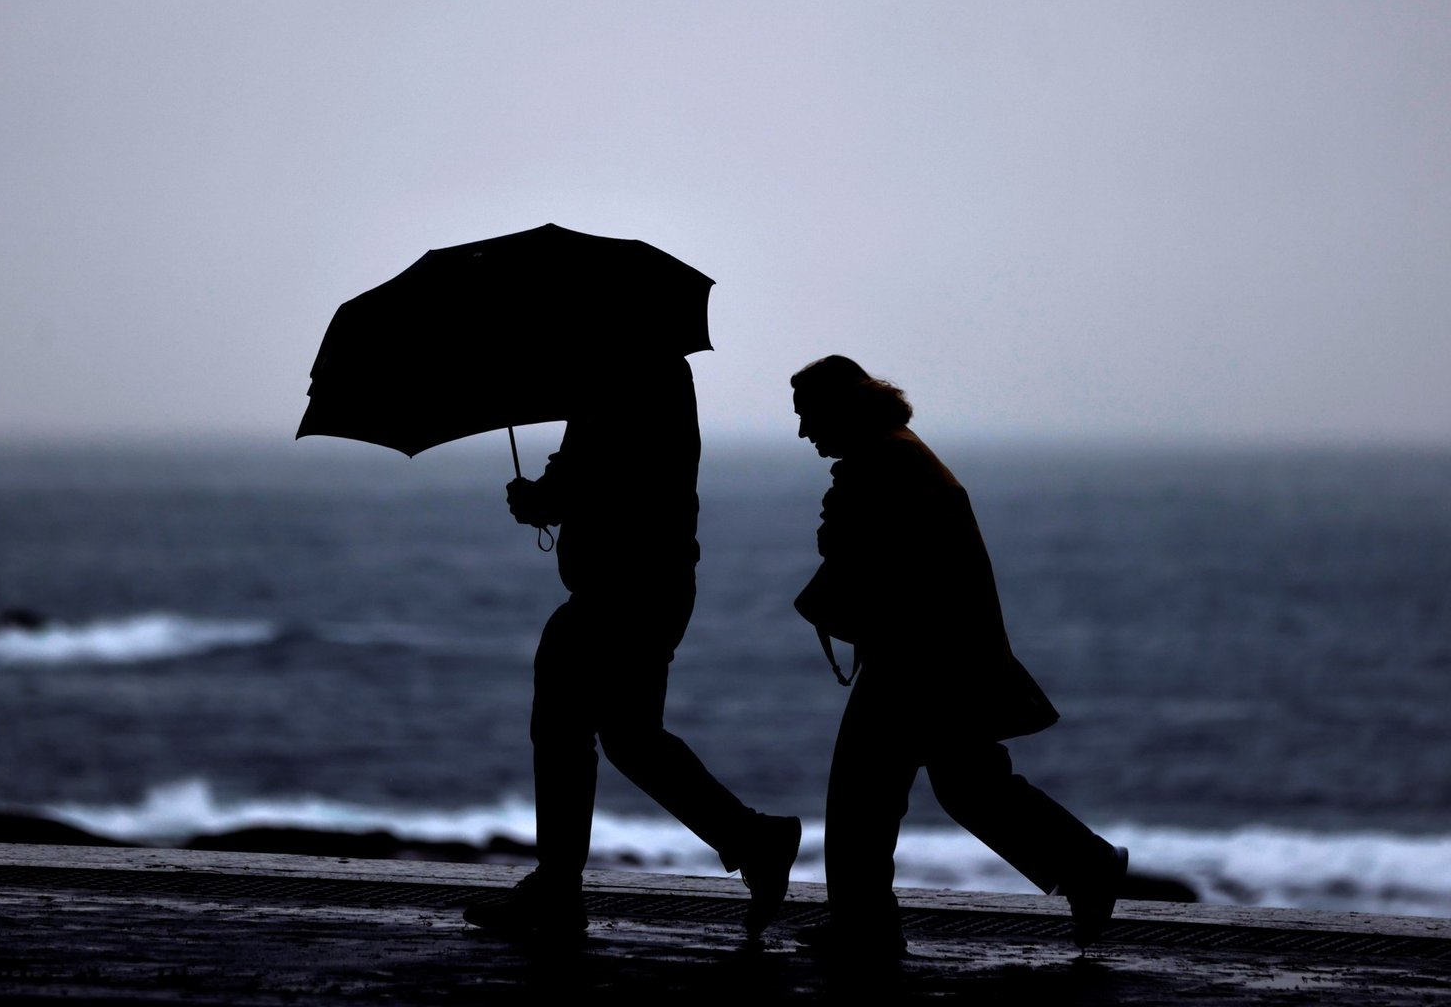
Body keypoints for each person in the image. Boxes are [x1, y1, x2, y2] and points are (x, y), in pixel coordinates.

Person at [788, 355, 1127, 960]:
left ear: (837, 410)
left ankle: (865, 926)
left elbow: (871, 555)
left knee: (863, 793)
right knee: (968, 786)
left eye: (808, 415)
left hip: (918, 657)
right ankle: (1086, 864)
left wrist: (838, 525)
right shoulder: (895, 454)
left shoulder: (886, 461)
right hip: (939, 652)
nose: (803, 431)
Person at [463, 353, 801, 941]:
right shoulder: (639, 367)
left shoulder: (627, 371)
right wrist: (549, 494)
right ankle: (753, 840)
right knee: (627, 736)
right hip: (645, 587)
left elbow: (603, 474)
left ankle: (561, 889)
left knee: (575, 729)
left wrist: (544, 499)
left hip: (625, 590)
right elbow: (597, 467)